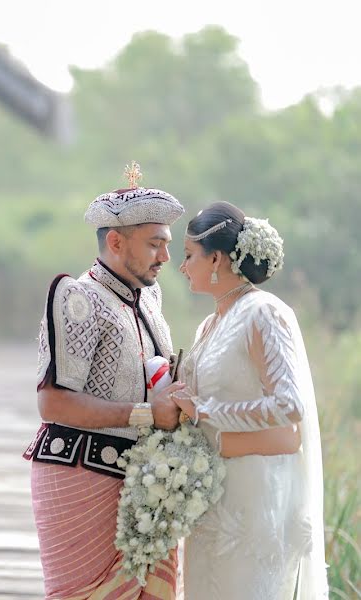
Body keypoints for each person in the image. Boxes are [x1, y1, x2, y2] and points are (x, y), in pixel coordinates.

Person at [23, 163, 187, 599]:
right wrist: (148, 415)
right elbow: (53, 405)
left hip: (143, 483)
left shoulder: (149, 297)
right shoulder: (79, 298)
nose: (165, 257)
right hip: (79, 477)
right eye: (155, 244)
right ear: (115, 241)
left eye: (167, 245)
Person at [172, 201, 328, 599]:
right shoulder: (210, 323)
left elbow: (289, 404)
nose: (181, 266)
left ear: (217, 259)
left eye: (189, 256)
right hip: (213, 498)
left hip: (254, 498)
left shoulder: (263, 313)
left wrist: (206, 411)